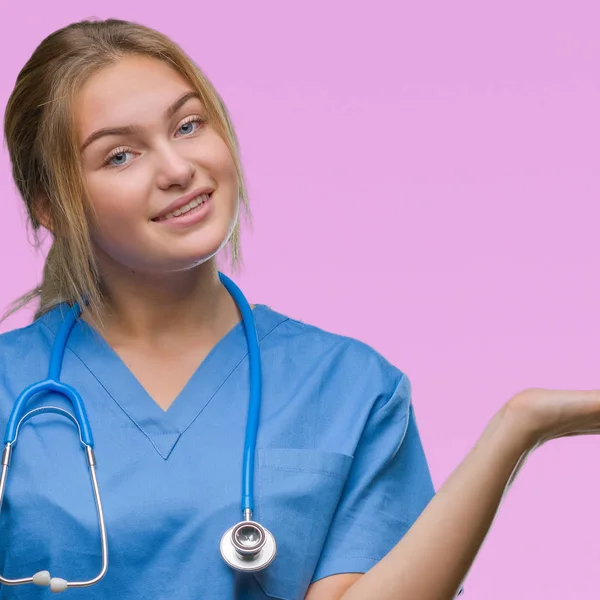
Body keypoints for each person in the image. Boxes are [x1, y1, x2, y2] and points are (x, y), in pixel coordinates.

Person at [0, 17, 598, 600]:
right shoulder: (8, 386)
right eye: (121, 156)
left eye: (187, 126)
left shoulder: (350, 388)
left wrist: (518, 428)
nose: (179, 170)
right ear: (51, 206)